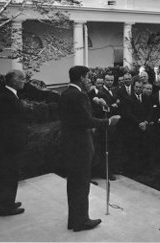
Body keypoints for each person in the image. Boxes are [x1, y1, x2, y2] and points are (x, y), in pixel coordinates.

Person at [59, 66, 120, 232]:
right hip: (80, 145)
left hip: (70, 144)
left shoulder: (66, 94)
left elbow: (77, 117)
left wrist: (95, 100)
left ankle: (74, 219)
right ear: (80, 78)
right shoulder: (79, 96)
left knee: (73, 183)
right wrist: (108, 122)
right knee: (82, 183)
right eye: (87, 78)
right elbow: (86, 120)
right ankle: (82, 221)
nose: (89, 81)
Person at [0, 70, 27, 216]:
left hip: (11, 145)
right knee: (7, 175)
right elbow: (3, 125)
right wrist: (9, 145)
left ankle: (9, 202)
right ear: (13, 80)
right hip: (8, 146)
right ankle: (5, 207)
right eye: (21, 78)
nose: (24, 81)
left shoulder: (11, 95)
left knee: (12, 174)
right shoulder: (6, 97)